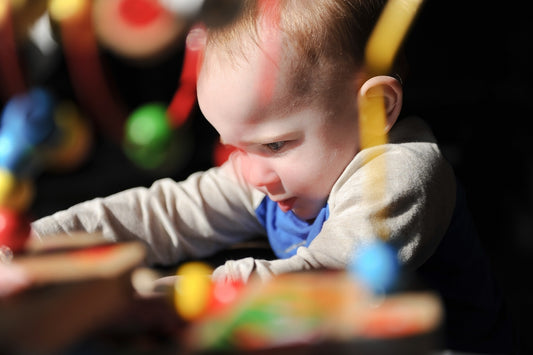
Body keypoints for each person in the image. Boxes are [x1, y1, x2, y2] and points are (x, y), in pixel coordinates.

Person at [30, 0, 516, 353]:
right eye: (234, 145)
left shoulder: (402, 176)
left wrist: (140, 297)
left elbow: (323, 281)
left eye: (276, 144)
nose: (252, 172)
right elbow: (161, 213)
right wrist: (36, 244)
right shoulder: (261, 169)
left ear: (374, 108)